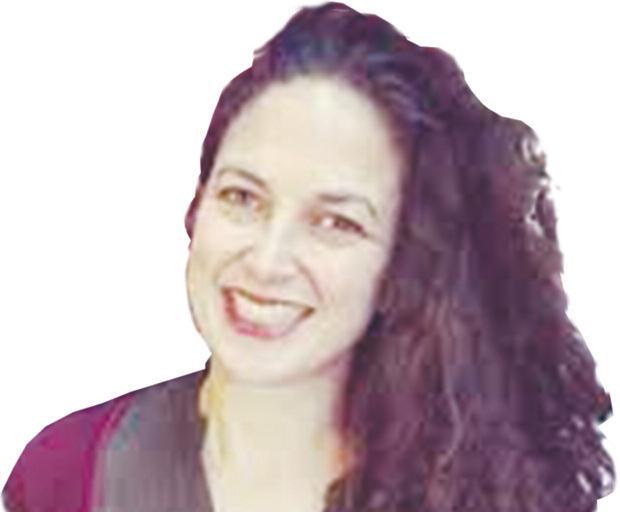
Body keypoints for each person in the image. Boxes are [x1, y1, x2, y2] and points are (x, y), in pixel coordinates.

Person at [2, 2, 614, 512]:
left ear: (405, 265)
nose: (267, 262)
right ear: (196, 206)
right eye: (243, 197)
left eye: (336, 222)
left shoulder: (489, 494)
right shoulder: (65, 476)